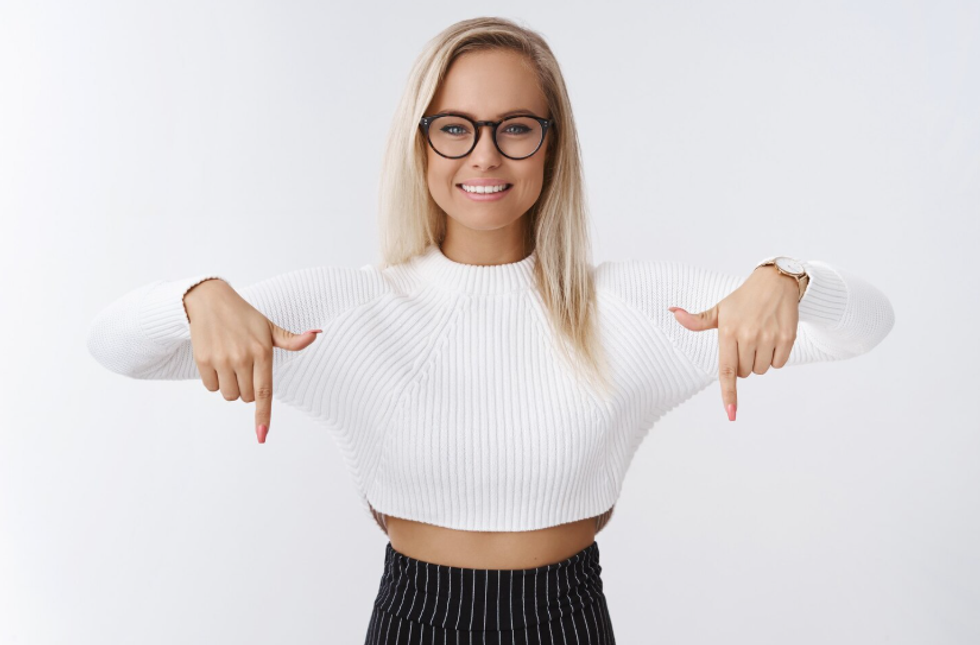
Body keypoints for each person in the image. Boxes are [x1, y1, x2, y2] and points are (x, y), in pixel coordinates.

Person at [86, 16, 895, 644]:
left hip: (567, 616)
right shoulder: (349, 309)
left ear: (551, 146)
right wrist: (196, 295)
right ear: (421, 143)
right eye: (455, 126)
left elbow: (864, 327)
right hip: (415, 617)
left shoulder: (634, 309)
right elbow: (115, 347)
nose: (484, 155)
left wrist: (789, 277)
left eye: (515, 126)